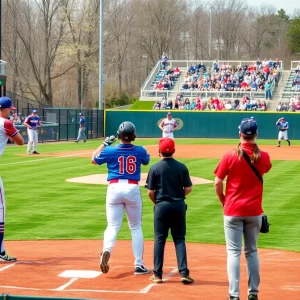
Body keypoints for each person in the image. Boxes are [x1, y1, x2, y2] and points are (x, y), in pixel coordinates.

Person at [214, 118, 272, 300]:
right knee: (252, 251)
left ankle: (234, 295)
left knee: (233, 252)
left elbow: (218, 182)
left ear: (239, 133)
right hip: (254, 210)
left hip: (232, 209)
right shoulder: (264, 156)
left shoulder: (229, 155)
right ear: (256, 134)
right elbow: (264, 168)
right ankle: (253, 293)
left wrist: (224, 200)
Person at [91, 121, 150, 275]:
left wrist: (104, 143)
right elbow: (146, 160)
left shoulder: (110, 150)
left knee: (112, 226)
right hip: (132, 188)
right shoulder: (139, 150)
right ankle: (138, 264)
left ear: (118, 135)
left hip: (114, 188)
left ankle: (106, 249)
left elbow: (93, 158)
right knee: (135, 227)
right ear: (134, 136)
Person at [145, 137, 194, 284]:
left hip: (161, 206)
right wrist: (178, 197)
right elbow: (188, 188)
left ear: (159, 151)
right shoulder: (182, 167)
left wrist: (158, 202)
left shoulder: (155, 168)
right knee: (179, 239)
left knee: (160, 239)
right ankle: (184, 273)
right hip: (178, 205)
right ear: (174, 150)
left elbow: (150, 191)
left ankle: (157, 274)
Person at [0, 97, 24, 261]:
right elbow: (21, 142)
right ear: (7, 109)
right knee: (1, 211)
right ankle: (0, 252)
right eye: (10, 110)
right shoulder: (6, 123)